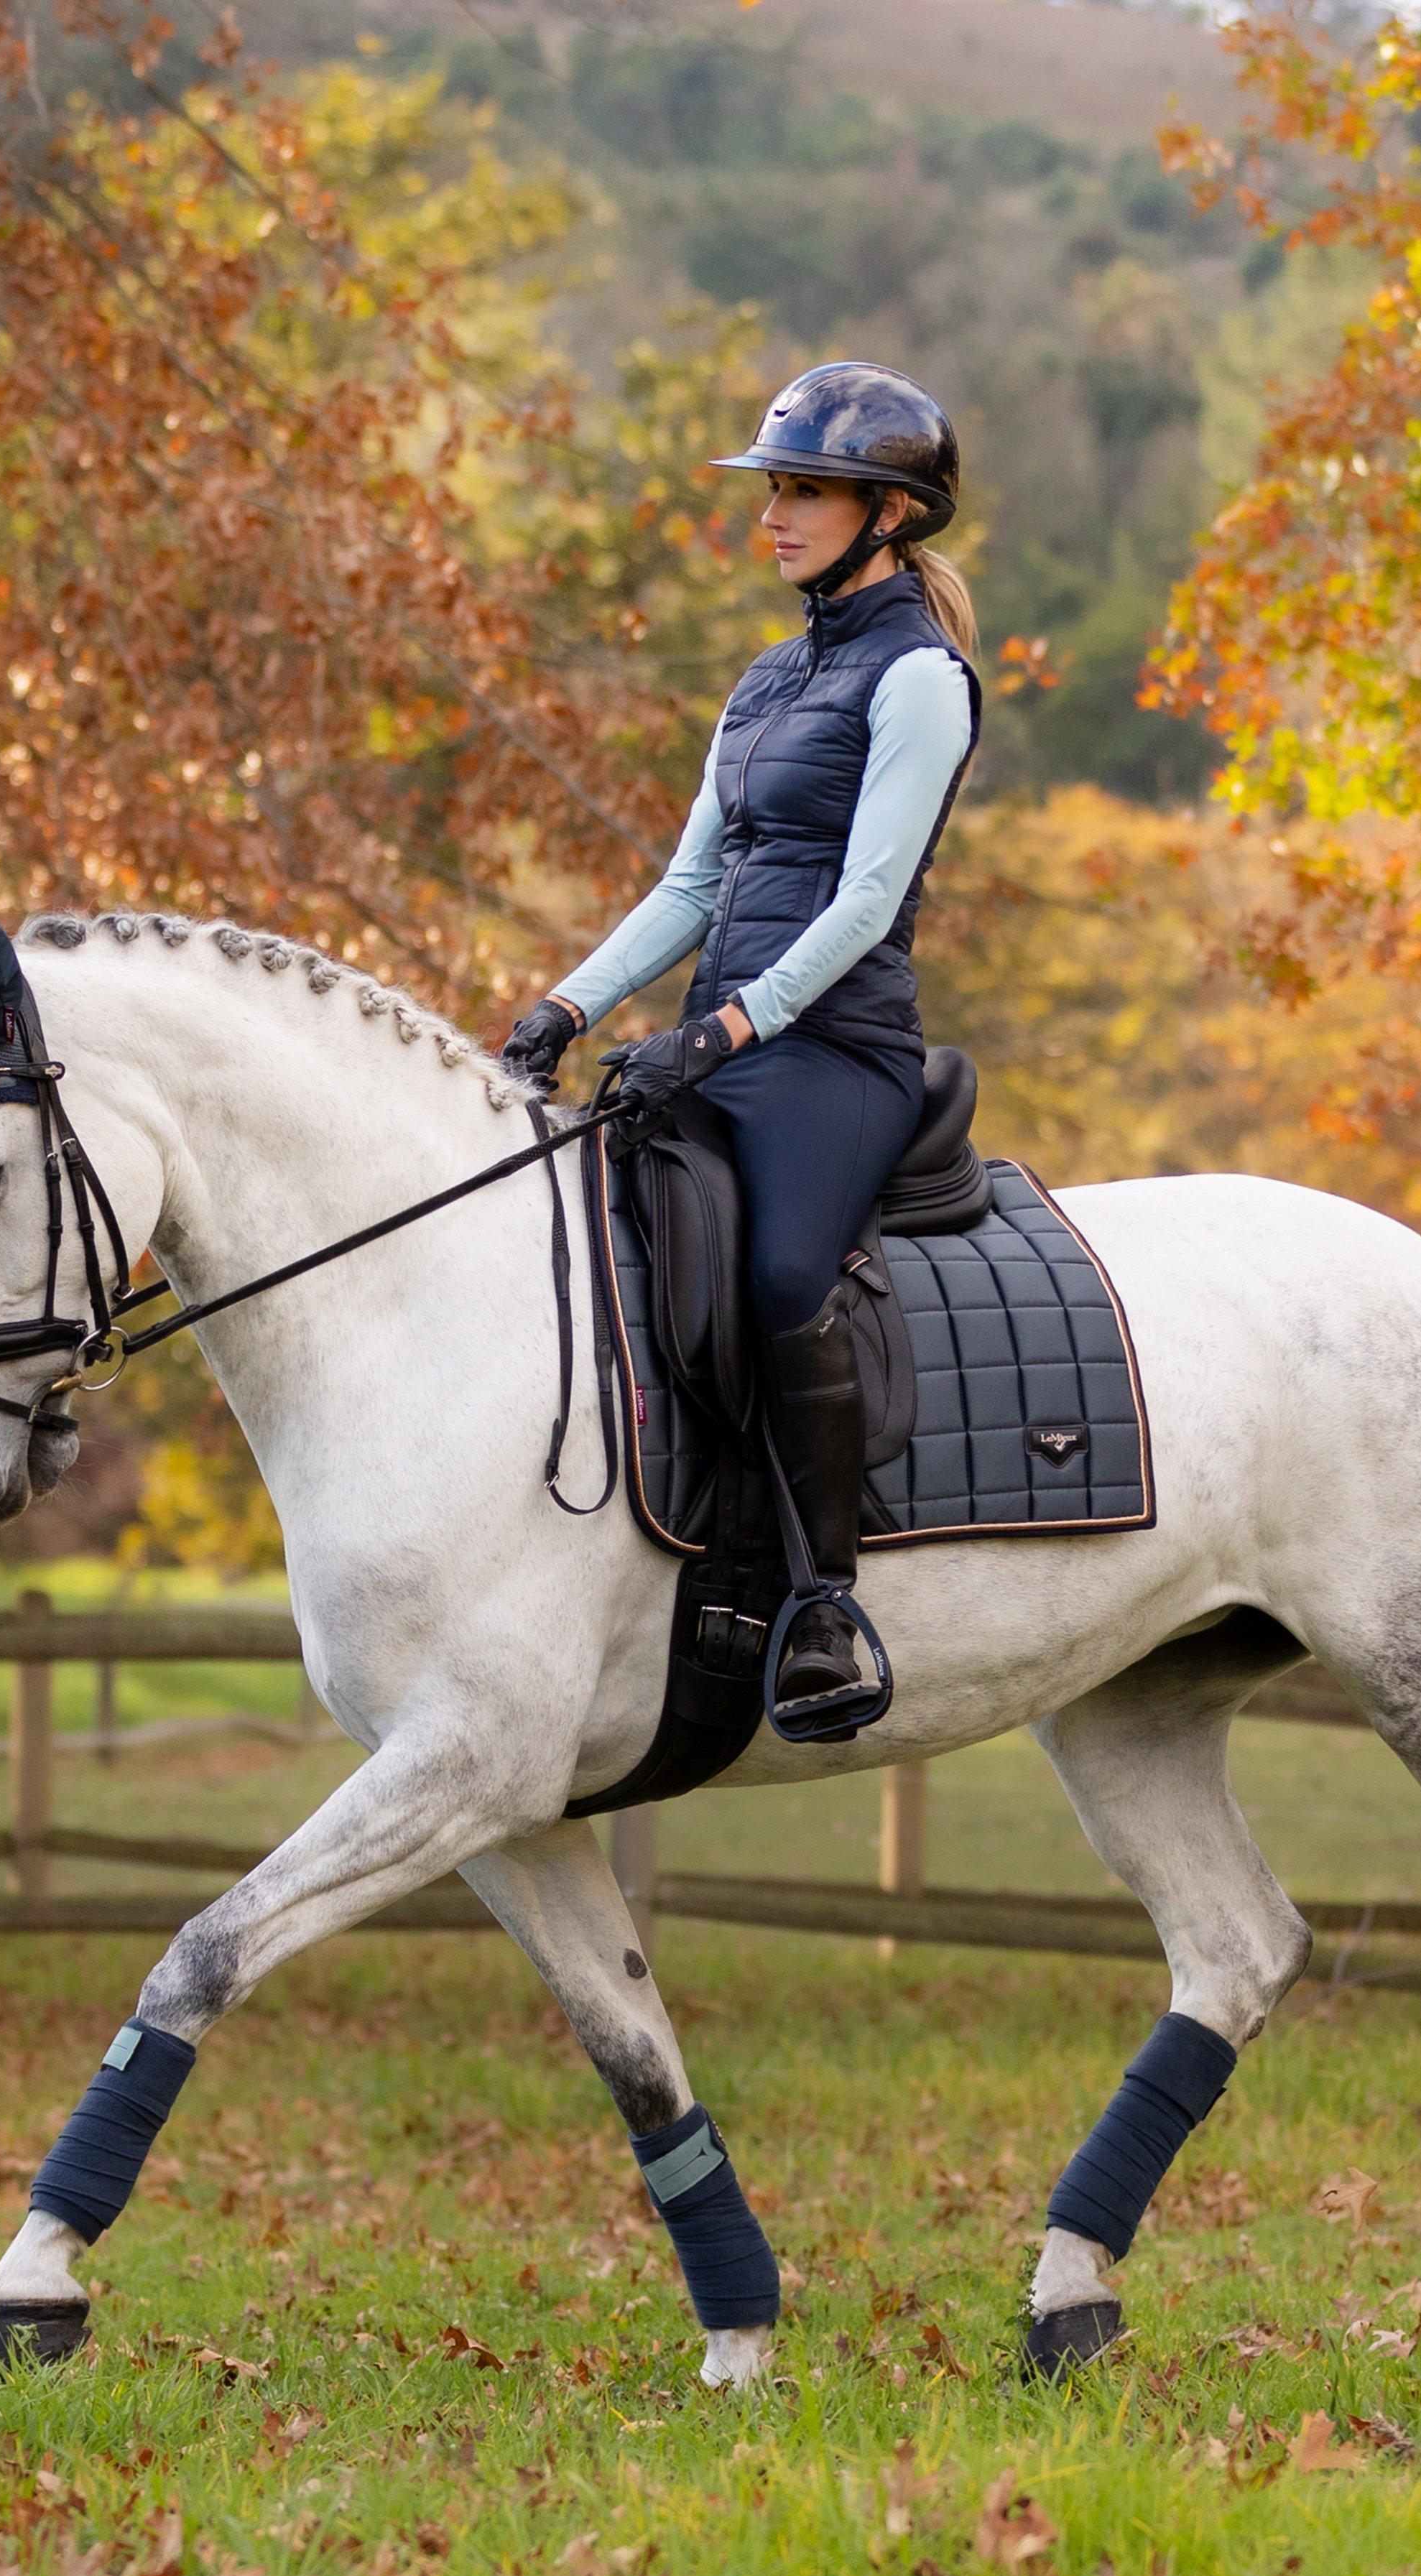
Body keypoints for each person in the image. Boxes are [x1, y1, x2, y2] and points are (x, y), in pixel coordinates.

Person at [501, 362, 982, 1718]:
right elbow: (692, 888)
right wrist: (565, 1008)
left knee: (778, 1278)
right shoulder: (766, 681)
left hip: (838, 1055)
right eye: (774, 490)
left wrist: (723, 1028)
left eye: (805, 493)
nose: (774, 517)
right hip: (720, 1041)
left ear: (889, 513)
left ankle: (824, 1600)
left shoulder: (923, 679)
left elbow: (867, 902)